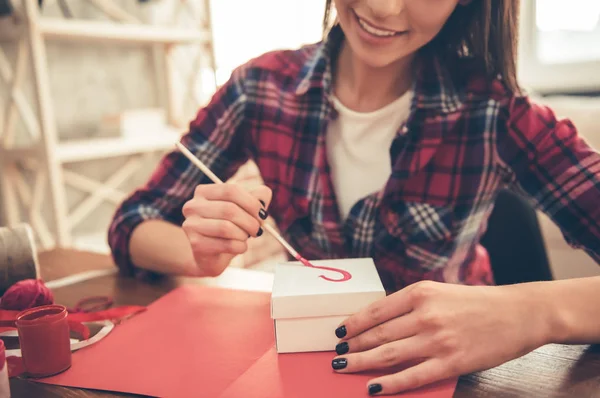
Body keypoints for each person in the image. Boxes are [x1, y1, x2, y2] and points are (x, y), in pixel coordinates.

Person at [108, 0, 600, 395]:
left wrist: (529, 312)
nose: (383, 8)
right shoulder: (259, 89)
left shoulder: (500, 111)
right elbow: (132, 222)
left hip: (450, 377)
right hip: (299, 367)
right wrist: (198, 253)